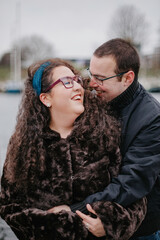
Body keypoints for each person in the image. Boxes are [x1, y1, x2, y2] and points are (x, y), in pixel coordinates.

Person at [0, 58, 146, 240]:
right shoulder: (23, 145)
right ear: (46, 98)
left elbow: (135, 197)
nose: (78, 87)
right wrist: (62, 226)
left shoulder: (104, 135)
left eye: (77, 80)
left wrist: (109, 224)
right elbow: (10, 207)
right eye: (67, 82)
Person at [60, 38, 160, 240]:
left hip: (140, 231)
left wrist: (74, 210)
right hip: (96, 222)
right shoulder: (95, 101)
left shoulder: (152, 119)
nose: (91, 84)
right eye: (90, 73)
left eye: (100, 78)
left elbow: (132, 182)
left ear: (128, 78)